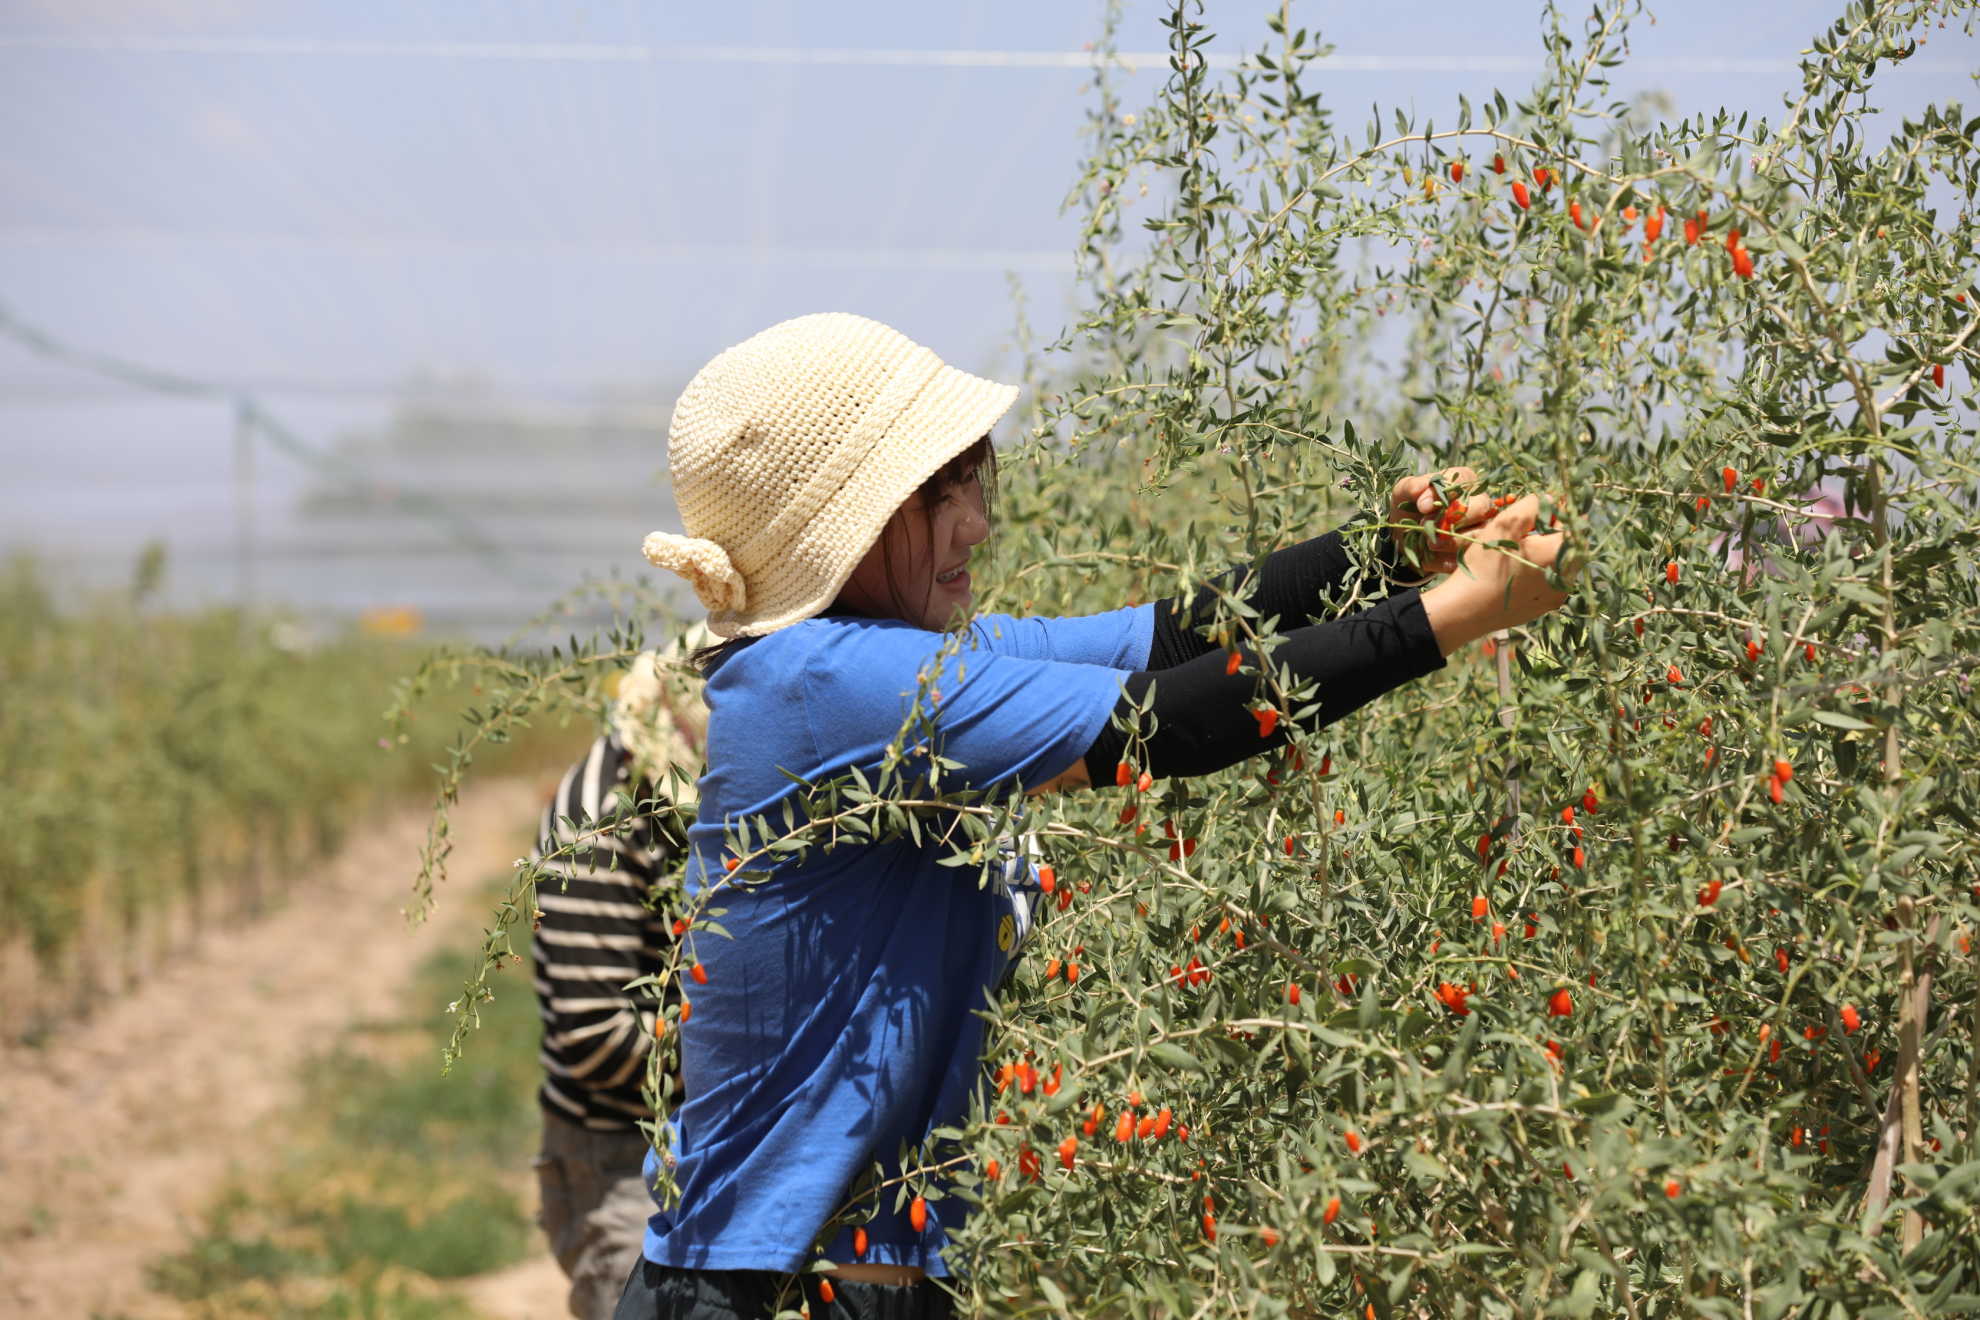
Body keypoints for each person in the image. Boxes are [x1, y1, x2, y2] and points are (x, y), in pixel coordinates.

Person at [618, 312, 1574, 1319]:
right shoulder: (830, 682)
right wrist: (1463, 611)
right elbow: (1178, 721)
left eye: (968, 484)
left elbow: (1170, 640)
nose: (975, 524)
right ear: (842, 527)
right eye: (935, 496)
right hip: (756, 1295)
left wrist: (1387, 554)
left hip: (843, 1288)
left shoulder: (881, 665)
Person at [530, 635, 710, 1320]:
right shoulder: (601, 820)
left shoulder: (695, 791)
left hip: (696, 1136)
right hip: (619, 1160)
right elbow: (596, 1032)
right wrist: (750, 1056)